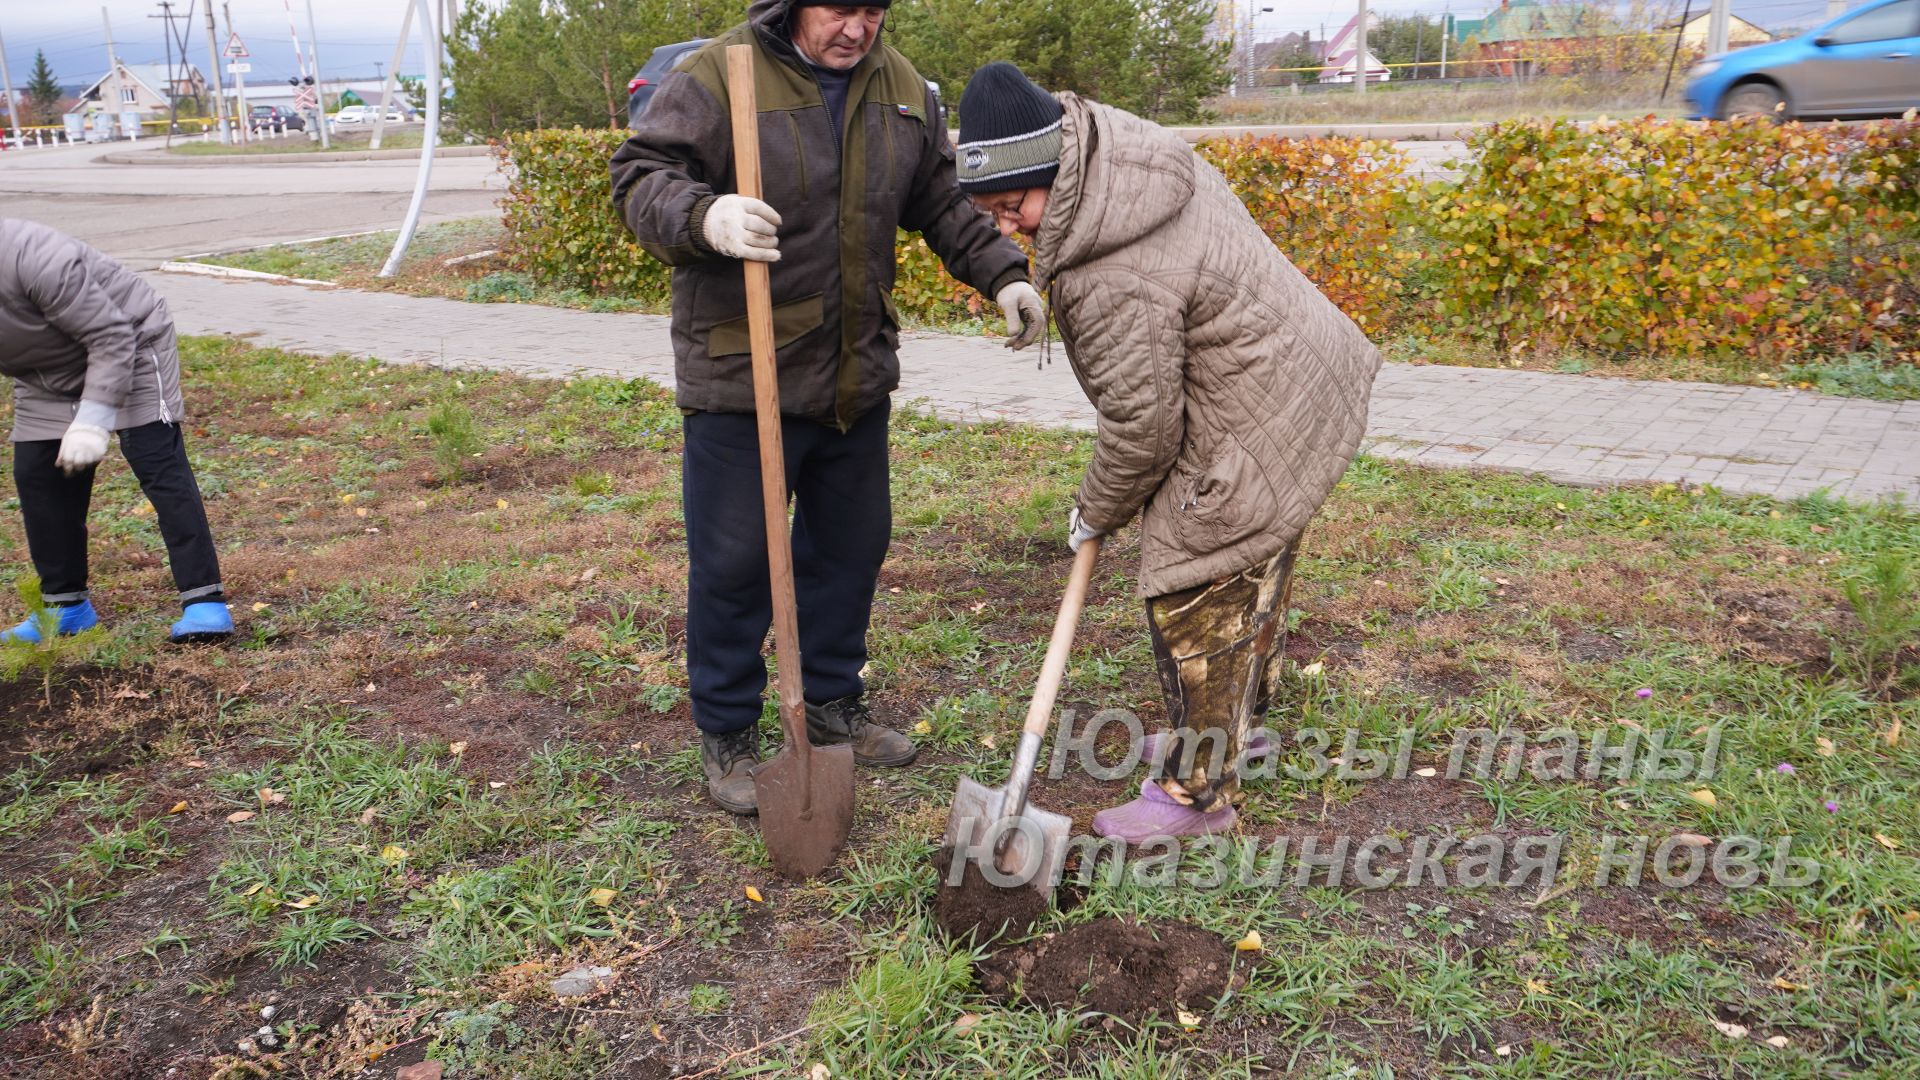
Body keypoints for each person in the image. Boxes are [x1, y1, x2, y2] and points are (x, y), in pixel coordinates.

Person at [610, 3, 1044, 814]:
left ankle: (835, 704)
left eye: (873, 11)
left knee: (850, 548)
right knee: (736, 563)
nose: (857, 29)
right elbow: (640, 178)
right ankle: (731, 730)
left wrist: (1004, 272)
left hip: (853, 374)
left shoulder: (901, 87)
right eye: (840, 9)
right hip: (744, 375)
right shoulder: (714, 73)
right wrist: (705, 217)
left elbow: (941, 199)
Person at [952, 63, 1382, 841]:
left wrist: (1095, 509)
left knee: (1198, 590)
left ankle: (1196, 793)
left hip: (1255, 412)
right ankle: (1230, 730)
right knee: (1252, 568)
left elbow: (1144, 430)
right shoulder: (1121, 161)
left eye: (1014, 206)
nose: (1009, 228)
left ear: (1055, 166)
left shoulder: (1111, 269)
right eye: (991, 215)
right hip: (1294, 383)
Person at [0, 219, 233, 644]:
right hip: (43, 375)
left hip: (130, 341)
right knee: (37, 474)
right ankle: (65, 608)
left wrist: (91, 419)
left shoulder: (34, 257)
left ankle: (204, 600)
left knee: (155, 460)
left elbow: (111, 336)